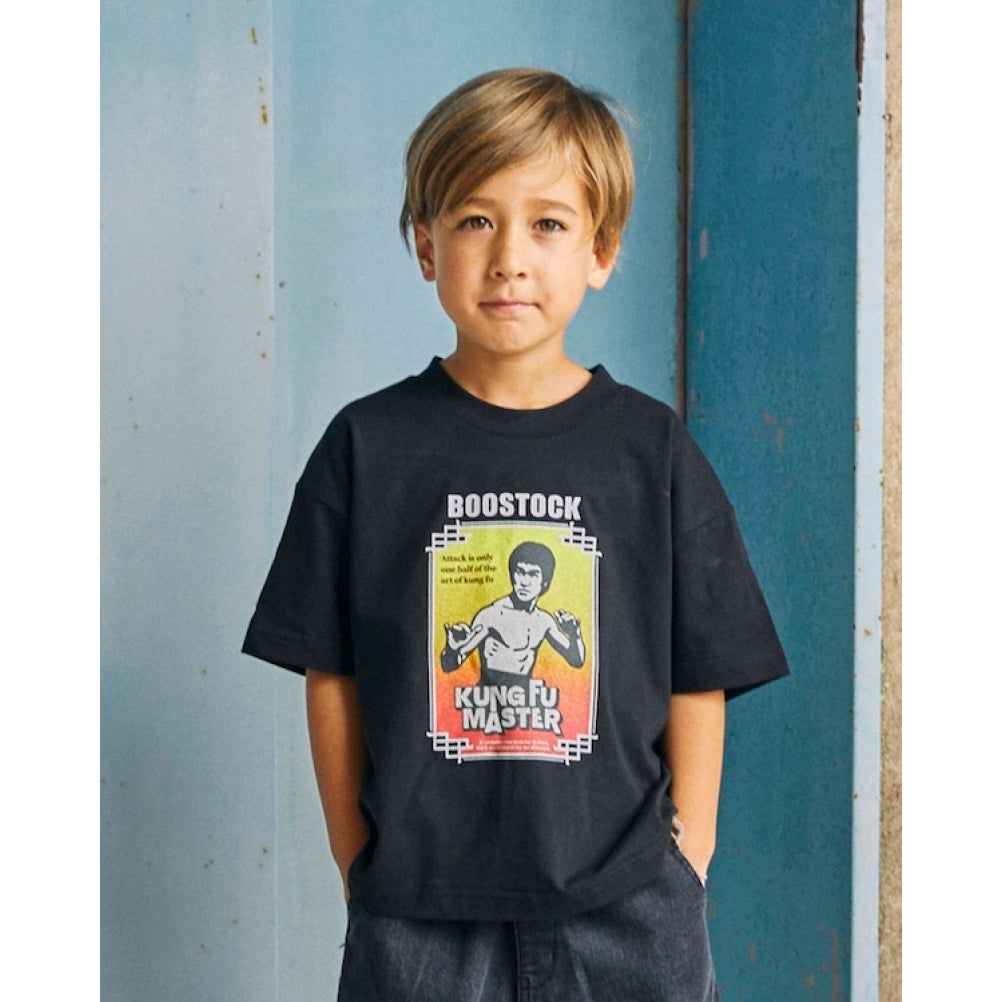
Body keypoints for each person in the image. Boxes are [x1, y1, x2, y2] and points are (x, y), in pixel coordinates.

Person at [243, 67, 789, 1002]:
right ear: (426, 245)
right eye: (474, 220)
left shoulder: (650, 449)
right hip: (419, 910)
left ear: (601, 251)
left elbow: (702, 668)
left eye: (548, 224)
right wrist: (357, 858)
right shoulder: (368, 447)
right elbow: (328, 667)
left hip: (626, 906)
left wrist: (688, 859)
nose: (509, 258)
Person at [440, 540, 585, 686]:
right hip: (487, 698)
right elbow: (449, 665)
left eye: (533, 574)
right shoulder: (491, 615)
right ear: (512, 576)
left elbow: (576, 660)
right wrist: (452, 649)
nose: (524, 582)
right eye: (520, 572)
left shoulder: (543, 621)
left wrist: (575, 635)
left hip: (528, 697)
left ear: (545, 582)